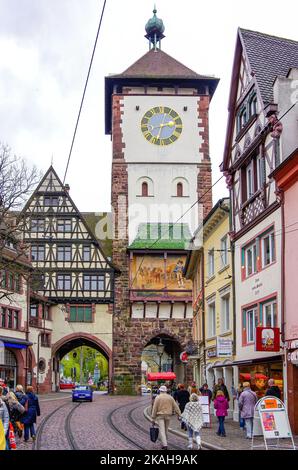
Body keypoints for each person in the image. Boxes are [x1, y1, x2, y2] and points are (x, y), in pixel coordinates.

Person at [151, 385, 181, 450]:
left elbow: (154, 408)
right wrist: (179, 414)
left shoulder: (158, 397)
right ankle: (164, 442)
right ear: (166, 391)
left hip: (160, 416)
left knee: (162, 430)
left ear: (160, 390)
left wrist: (153, 418)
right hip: (168, 415)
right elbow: (176, 406)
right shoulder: (170, 397)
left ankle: (165, 445)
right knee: (166, 430)